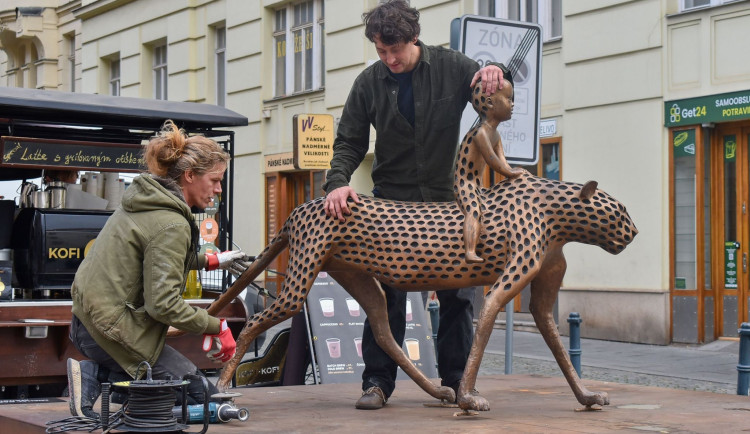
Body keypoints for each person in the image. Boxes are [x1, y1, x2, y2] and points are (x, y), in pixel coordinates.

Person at [322, 0, 506, 410]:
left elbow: (492, 93)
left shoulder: (453, 67)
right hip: (392, 207)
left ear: (414, 38)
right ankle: (377, 383)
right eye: (381, 52)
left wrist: (497, 71)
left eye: (396, 51)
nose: (389, 60)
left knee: (457, 297)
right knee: (385, 296)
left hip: (449, 204)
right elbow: (349, 142)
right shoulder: (368, 83)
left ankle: (458, 382)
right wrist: (336, 183)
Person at [67, 120, 247, 419]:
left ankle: (100, 376)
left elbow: (155, 256)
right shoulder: (172, 223)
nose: (218, 189)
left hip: (89, 321)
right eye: (215, 180)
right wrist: (219, 327)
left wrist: (211, 260)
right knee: (201, 399)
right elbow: (163, 305)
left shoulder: (148, 201)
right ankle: (95, 375)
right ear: (189, 175)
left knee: (187, 392)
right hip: (109, 332)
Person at [455, 72, 524, 263]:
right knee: (473, 210)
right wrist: (510, 172)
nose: (512, 104)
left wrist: (512, 173)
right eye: (509, 99)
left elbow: (503, 160)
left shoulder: (494, 134)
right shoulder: (481, 133)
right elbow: (493, 160)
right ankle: (469, 250)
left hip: (477, 185)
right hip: (465, 183)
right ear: (491, 103)